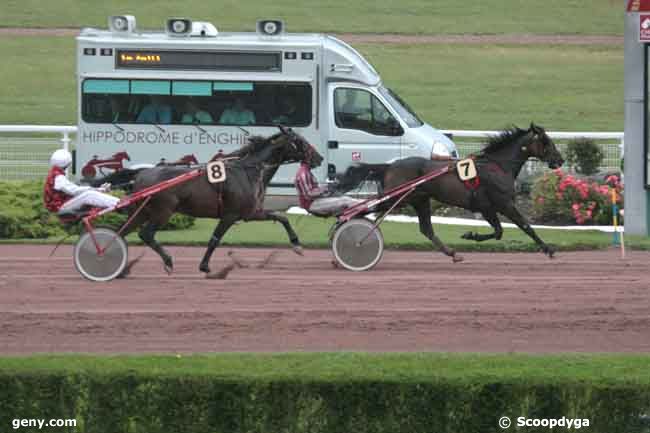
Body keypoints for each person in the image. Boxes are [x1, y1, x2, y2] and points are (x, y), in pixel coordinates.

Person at [43, 149, 119, 214]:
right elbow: (75, 191)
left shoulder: (55, 173)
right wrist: (97, 189)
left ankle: (117, 202)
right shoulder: (58, 177)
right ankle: (118, 203)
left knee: (88, 193)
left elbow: (73, 190)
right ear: (68, 163)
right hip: (58, 208)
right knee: (89, 195)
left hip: (58, 205)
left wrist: (98, 189)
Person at [294, 159, 362, 217]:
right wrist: (325, 189)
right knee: (345, 201)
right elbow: (309, 194)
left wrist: (327, 188)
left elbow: (314, 190)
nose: (316, 161)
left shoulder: (306, 171)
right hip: (311, 204)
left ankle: (364, 205)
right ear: (308, 160)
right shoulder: (303, 173)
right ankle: (366, 206)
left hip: (314, 202)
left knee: (345, 198)